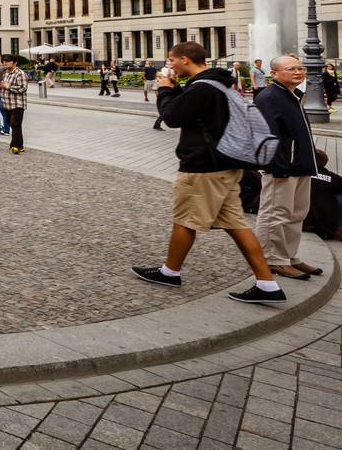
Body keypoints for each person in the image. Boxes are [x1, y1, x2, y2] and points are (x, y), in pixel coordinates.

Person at [132, 42, 282, 303]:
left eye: (172, 60)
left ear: (186, 60)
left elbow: (172, 118)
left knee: (185, 220)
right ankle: (267, 284)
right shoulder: (218, 84)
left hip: (203, 167)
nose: (170, 65)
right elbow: (194, 113)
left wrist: (165, 90)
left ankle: (170, 272)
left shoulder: (201, 88)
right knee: (236, 225)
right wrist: (177, 89)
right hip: (225, 166)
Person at [253, 55, 321, 281]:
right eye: (291, 68)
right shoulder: (269, 96)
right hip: (283, 167)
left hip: (300, 165)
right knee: (276, 214)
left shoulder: (292, 95)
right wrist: (276, 165)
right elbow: (265, 134)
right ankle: (273, 259)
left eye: (300, 68)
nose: (298, 71)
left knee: (296, 214)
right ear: (275, 73)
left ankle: (288, 256)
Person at [1, 55, 28, 153]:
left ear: (15, 63)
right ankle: (20, 145)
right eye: (4, 61)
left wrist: (8, 87)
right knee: (12, 125)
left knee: (15, 124)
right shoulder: (6, 73)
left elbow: (23, 88)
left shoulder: (20, 73)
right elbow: (5, 85)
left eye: (8, 61)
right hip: (7, 104)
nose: (5, 63)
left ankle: (15, 146)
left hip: (17, 104)